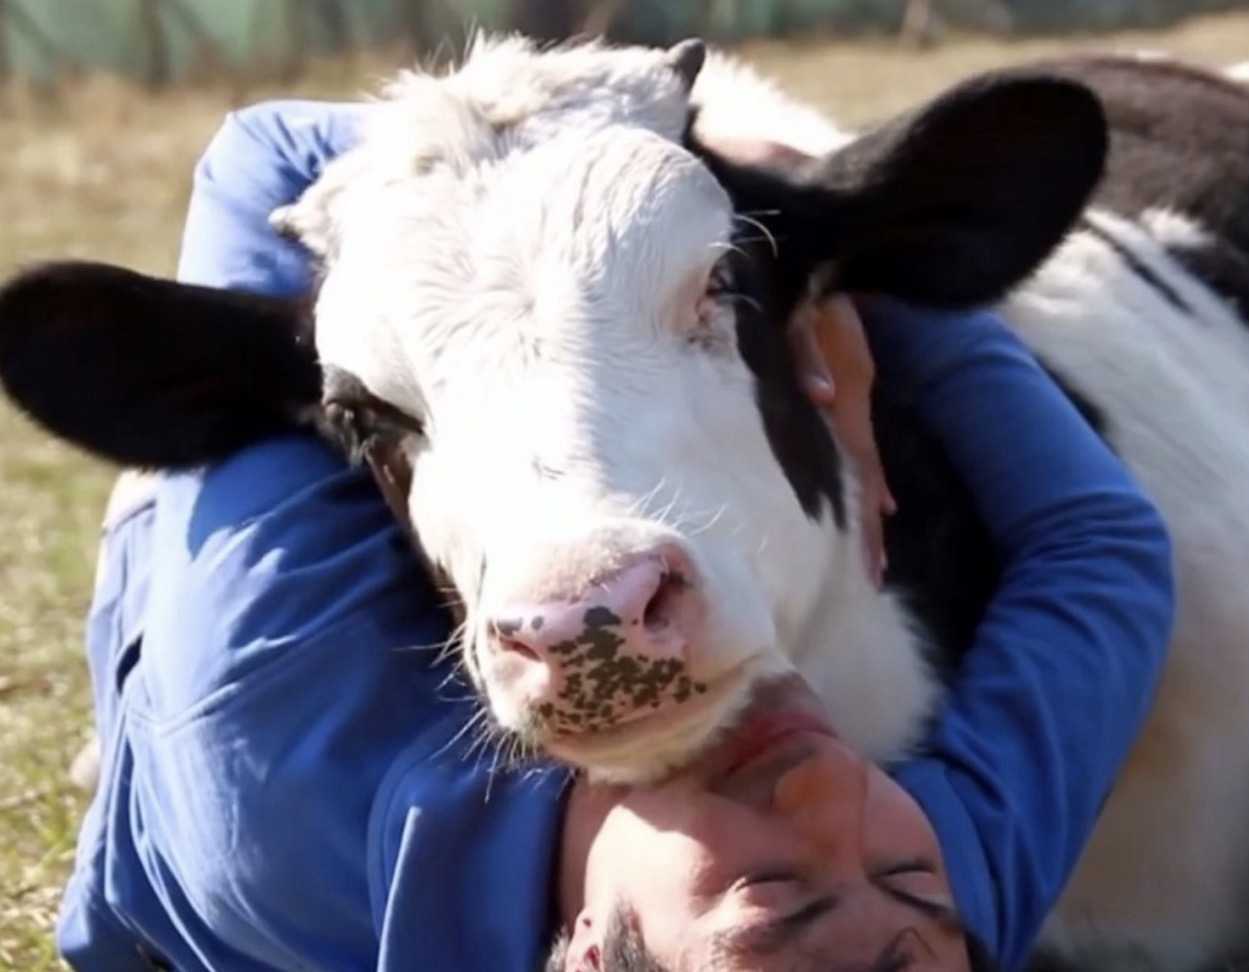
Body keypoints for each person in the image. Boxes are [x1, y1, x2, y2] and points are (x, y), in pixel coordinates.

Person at [55, 100, 1174, 971]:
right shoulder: (923, 896)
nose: (838, 792)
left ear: (585, 954)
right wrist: (837, 294)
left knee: (323, 408)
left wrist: (726, 205)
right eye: (915, 880)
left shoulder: (274, 755)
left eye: (772, 893)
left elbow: (270, 150)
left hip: (208, 718)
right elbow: (1103, 553)